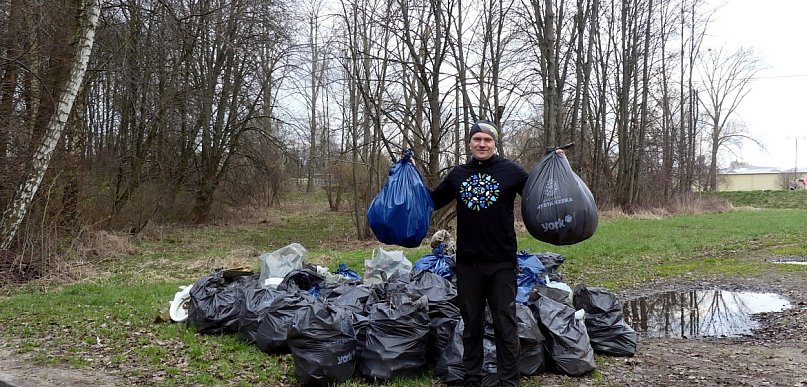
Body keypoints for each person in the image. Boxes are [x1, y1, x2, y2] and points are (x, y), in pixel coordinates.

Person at [429, 119, 564, 387]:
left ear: (495, 143)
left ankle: (509, 381)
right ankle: (472, 379)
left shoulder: (511, 172)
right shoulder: (458, 174)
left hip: (502, 262)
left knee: (505, 324)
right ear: (469, 143)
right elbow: (431, 201)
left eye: (487, 140)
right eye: (477, 139)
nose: (482, 144)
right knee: (472, 325)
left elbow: (540, 194)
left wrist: (555, 166)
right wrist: (403, 177)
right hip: (468, 263)